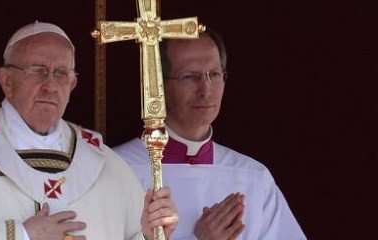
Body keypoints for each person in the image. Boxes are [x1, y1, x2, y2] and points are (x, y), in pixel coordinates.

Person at [0, 21, 179, 240]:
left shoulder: (107, 165)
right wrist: (22, 235)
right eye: (38, 70)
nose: (50, 85)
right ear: (7, 81)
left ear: (72, 85)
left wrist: (147, 235)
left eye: (62, 74)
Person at [113, 28, 306, 240]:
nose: (205, 90)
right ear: (159, 86)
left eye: (213, 75)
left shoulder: (253, 177)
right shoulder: (117, 170)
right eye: (190, 77)